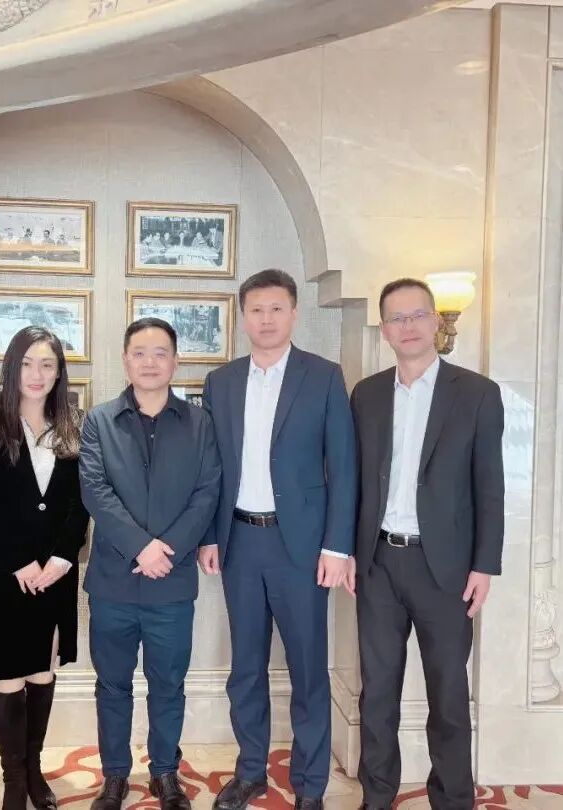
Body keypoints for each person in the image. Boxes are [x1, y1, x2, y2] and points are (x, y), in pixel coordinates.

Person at [200, 268, 356, 810]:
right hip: (240, 542)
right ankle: (250, 773)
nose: (265, 319)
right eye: (256, 310)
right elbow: (211, 469)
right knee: (246, 668)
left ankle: (310, 785)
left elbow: (344, 466)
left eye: (276, 309)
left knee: (309, 670)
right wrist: (208, 536)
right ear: (243, 317)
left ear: (293, 313)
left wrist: (337, 546)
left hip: (303, 549)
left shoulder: (324, 376)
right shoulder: (221, 382)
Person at [348, 278, 504, 810]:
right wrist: (348, 553)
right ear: (384, 330)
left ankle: (453, 799)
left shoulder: (476, 393)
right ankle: (377, 797)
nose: (408, 326)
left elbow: (490, 485)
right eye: (396, 318)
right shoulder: (367, 394)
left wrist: (484, 565)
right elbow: (354, 481)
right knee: (377, 694)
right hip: (378, 565)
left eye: (417, 315)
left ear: (437, 321)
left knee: (449, 695)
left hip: (447, 570)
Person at [79, 318, 221, 810]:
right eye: (139, 353)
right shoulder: (99, 421)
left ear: (175, 362)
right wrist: (142, 547)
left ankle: (164, 772)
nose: (149, 362)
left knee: (168, 684)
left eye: (160, 353)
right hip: (113, 582)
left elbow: (207, 492)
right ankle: (114, 776)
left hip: (172, 583)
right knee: (112, 685)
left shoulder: (200, 423)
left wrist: (169, 549)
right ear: (125, 361)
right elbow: (94, 490)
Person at [0, 326, 89, 810]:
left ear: (59, 372)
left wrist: (61, 558)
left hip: (56, 572)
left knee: (42, 670)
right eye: (26, 363)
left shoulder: (75, 424)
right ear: (11, 367)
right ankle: (14, 781)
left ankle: (34, 770)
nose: (36, 374)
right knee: (8, 675)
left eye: (47, 364)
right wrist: (21, 560)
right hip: (7, 570)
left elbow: (80, 501)